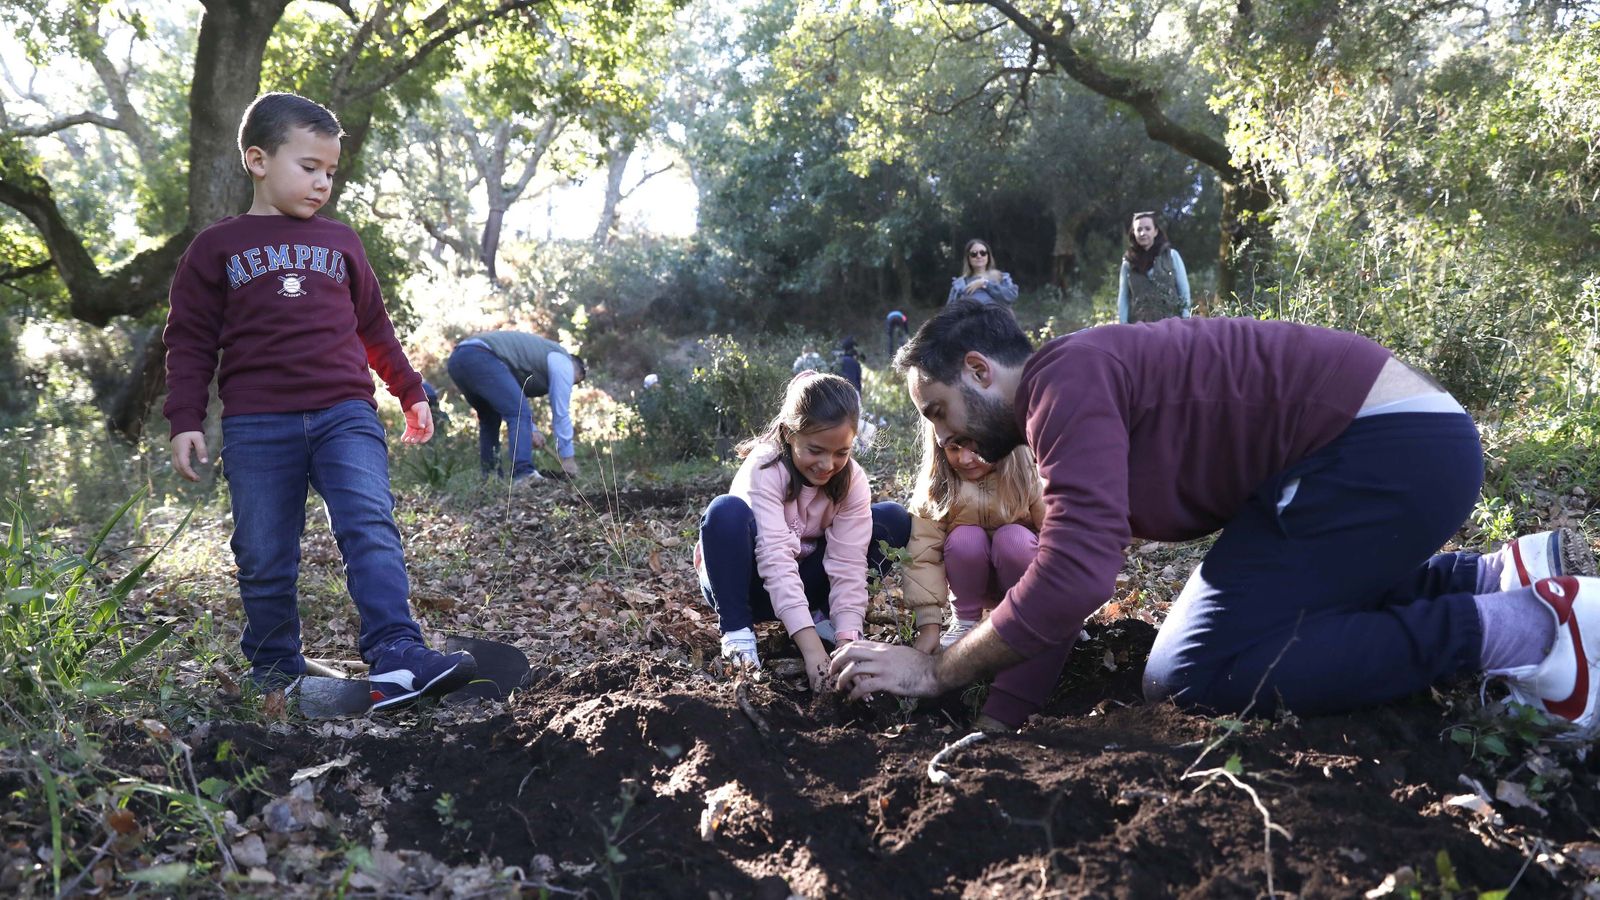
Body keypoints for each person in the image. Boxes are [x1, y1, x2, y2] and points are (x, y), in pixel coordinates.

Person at [832, 301, 1600, 736]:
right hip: (1380, 455)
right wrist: (998, 722)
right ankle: (1493, 575)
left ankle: (1530, 628)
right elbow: (1065, 579)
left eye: (937, 412)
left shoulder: (1066, 383)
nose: (944, 436)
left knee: (1194, 673)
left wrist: (937, 670)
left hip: (1384, 451)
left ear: (978, 370)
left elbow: (1073, 577)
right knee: (1239, 626)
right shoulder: (1077, 390)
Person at [162, 92, 477, 707]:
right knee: (261, 550)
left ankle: (397, 651)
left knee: (369, 526)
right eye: (309, 168)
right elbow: (190, 339)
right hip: (256, 424)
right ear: (258, 159)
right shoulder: (215, 248)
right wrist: (185, 418)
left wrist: (410, 390)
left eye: (330, 172)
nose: (322, 183)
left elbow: (375, 329)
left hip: (346, 414)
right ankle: (275, 669)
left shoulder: (341, 242)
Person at [696, 372, 911, 693]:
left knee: (891, 518)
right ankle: (738, 634)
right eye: (815, 450)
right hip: (744, 581)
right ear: (788, 433)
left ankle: (822, 616)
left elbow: (849, 563)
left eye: (841, 452)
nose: (827, 464)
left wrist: (846, 641)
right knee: (725, 512)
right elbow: (775, 559)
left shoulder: (852, 479)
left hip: (805, 578)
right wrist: (812, 652)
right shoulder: (765, 467)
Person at [901, 422, 1054, 730]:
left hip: (1020, 581)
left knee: (1013, 538)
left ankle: (1020, 619)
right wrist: (929, 626)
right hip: (972, 580)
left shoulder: (1023, 474)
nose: (966, 459)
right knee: (964, 539)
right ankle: (966, 622)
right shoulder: (939, 486)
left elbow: (1055, 536)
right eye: (954, 448)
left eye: (975, 447)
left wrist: (1062, 610)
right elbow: (922, 557)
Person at [446, 331, 585, 481]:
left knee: (490, 419)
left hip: (458, 359)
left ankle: (491, 479)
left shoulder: (534, 362)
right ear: (574, 367)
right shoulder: (563, 362)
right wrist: (567, 458)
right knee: (519, 414)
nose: (570, 385)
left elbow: (511, 397)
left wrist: (532, 430)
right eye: (574, 381)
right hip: (481, 356)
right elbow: (561, 413)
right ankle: (524, 474)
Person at [1117, 212, 1191, 324]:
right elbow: (1123, 298)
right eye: (1139, 229)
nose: (1143, 233)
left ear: (1155, 231)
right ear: (1134, 233)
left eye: (1147, 228)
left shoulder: (1171, 256)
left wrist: (1185, 319)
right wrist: (1123, 325)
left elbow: (1184, 291)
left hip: (1172, 325)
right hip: (1140, 327)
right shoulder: (1128, 263)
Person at [946, 239, 1019, 308]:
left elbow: (1011, 297)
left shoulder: (1001, 277)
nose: (979, 256)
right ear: (968, 258)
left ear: (988, 256)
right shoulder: (959, 284)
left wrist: (985, 284)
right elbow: (949, 312)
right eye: (973, 254)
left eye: (983, 253)